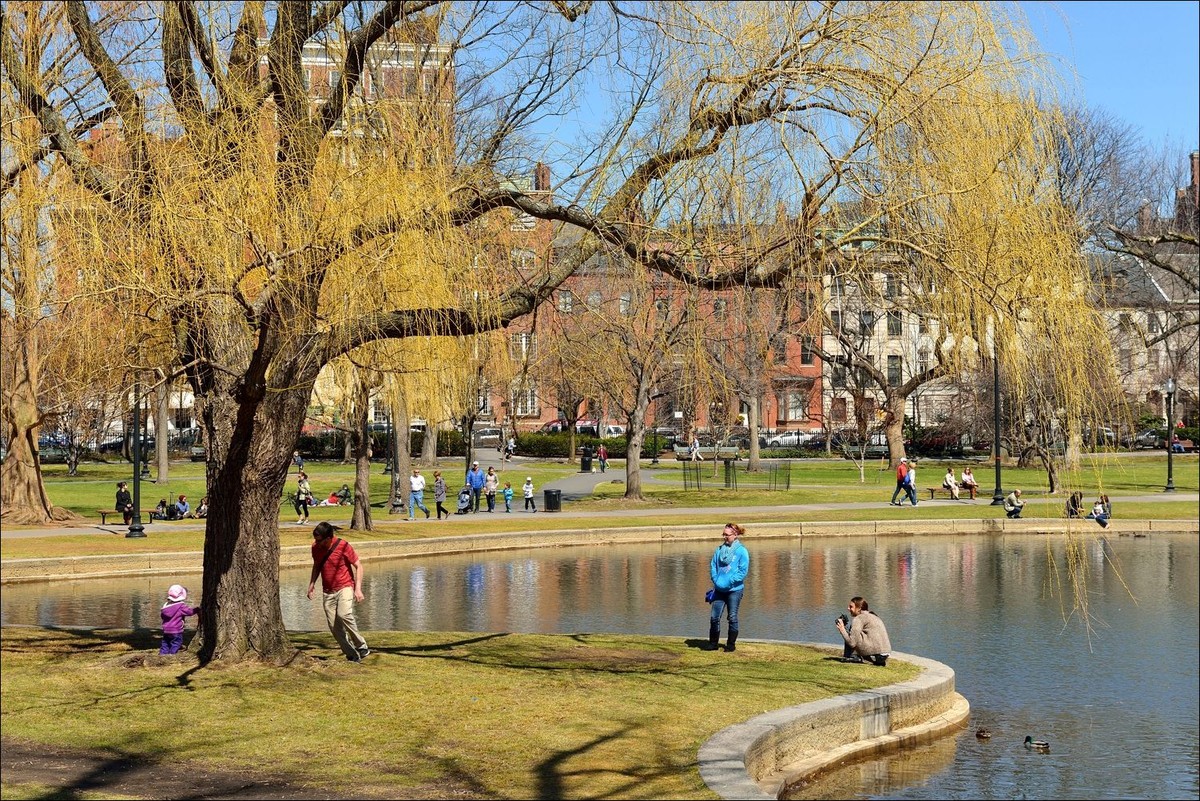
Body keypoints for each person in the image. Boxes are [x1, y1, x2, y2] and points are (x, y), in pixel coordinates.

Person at [306, 522, 368, 662]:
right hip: (328, 591)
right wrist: (311, 584)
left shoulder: (343, 546)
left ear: (328, 538)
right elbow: (316, 566)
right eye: (315, 539)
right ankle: (352, 654)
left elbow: (358, 566)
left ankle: (361, 645)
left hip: (345, 586)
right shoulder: (315, 548)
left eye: (319, 540)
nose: (316, 543)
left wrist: (358, 589)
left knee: (344, 613)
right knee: (334, 627)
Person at [707, 522, 750, 652]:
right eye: (723, 534)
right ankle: (713, 644)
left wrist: (730, 581)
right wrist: (715, 579)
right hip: (719, 589)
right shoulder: (719, 550)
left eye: (727, 535)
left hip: (734, 591)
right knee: (714, 617)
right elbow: (713, 566)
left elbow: (743, 571)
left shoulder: (742, 551)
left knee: (732, 617)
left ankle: (730, 645)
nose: (725, 537)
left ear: (735, 534)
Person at [835, 596, 891, 666]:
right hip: (885, 654)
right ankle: (875, 660)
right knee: (853, 633)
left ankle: (851, 657)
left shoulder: (859, 618)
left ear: (859, 609)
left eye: (851, 607)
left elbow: (852, 643)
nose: (848, 608)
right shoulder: (874, 615)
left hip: (875, 654)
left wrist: (842, 629)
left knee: (850, 635)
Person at [159, 584, 199, 655]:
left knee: (165, 643)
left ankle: (162, 654)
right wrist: (197, 609)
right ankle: (172, 654)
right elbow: (189, 612)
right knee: (177, 642)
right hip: (176, 630)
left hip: (166, 629)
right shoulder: (181, 606)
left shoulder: (165, 606)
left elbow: (162, 616)